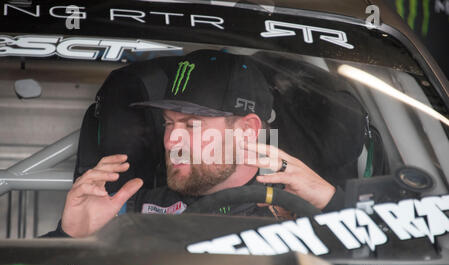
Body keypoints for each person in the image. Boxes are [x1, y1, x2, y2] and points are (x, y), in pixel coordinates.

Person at [48, 50, 344, 238]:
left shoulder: (302, 214)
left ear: (247, 130)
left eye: (191, 124)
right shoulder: (132, 210)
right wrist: (71, 237)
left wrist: (337, 205)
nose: (171, 140)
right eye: (168, 122)